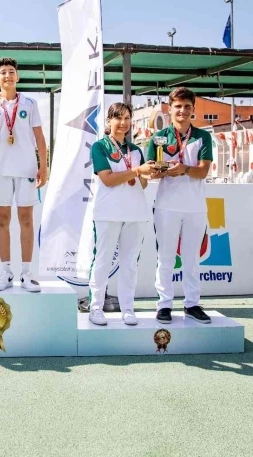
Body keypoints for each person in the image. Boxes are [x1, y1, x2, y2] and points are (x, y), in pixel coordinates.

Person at [146, 87, 213, 324]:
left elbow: (203, 171)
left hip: (195, 207)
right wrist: (160, 171)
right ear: (170, 108)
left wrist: (184, 169)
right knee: (165, 258)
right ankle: (164, 305)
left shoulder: (202, 136)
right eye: (178, 106)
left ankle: (192, 303)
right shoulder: (159, 137)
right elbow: (150, 171)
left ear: (193, 109)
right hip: (166, 206)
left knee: (191, 259)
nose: (182, 110)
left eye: (187, 106)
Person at [0, 57, 48, 293]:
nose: (8, 75)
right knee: (2, 220)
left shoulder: (29, 103)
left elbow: (39, 137)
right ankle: (6, 271)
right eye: (3, 72)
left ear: (17, 77)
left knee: (26, 220)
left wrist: (44, 166)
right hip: (0, 170)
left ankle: (27, 273)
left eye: (11, 71)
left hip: (26, 169)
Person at [87, 102, 154, 326]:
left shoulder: (135, 150)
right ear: (109, 121)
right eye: (118, 118)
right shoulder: (100, 146)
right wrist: (137, 171)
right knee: (102, 261)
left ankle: (128, 308)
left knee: (130, 264)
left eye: (127, 118)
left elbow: (142, 184)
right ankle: (96, 308)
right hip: (108, 212)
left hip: (135, 212)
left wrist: (151, 173)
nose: (123, 123)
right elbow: (108, 179)